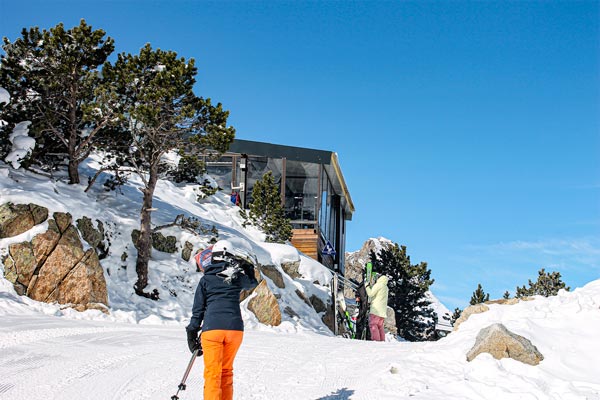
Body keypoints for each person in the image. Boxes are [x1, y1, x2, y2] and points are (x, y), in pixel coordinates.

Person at [186, 239, 258, 400]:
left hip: (212, 330)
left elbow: (198, 310)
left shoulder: (206, 279)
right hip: (235, 330)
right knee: (226, 371)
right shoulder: (236, 276)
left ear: (213, 257)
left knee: (213, 373)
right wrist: (247, 267)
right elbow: (252, 282)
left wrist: (191, 332)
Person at [365, 272, 389, 342]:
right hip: (383, 312)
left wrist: (366, 286)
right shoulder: (386, 288)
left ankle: (376, 341)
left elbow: (370, 294)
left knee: (373, 325)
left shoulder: (378, 285)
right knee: (380, 327)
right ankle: (382, 341)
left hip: (376, 310)